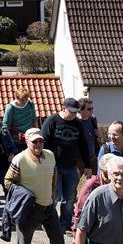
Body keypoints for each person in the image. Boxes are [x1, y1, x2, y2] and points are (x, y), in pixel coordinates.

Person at [5, 127, 67, 244]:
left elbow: (53, 174)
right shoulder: (20, 159)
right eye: (34, 141)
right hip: (30, 208)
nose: (38, 144)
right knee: (24, 242)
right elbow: (8, 182)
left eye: (40, 141)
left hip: (48, 206)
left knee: (58, 239)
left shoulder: (50, 155)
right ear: (27, 142)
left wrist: (53, 191)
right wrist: (25, 195)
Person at [41, 97, 93, 234]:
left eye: (76, 112)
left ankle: (64, 223)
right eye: (72, 112)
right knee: (55, 195)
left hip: (70, 165)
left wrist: (87, 165)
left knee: (69, 197)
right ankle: (48, 221)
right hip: (54, 166)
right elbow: (43, 142)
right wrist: (43, 163)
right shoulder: (52, 121)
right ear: (64, 108)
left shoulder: (78, 123)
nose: (74, 115)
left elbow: (83, 145)